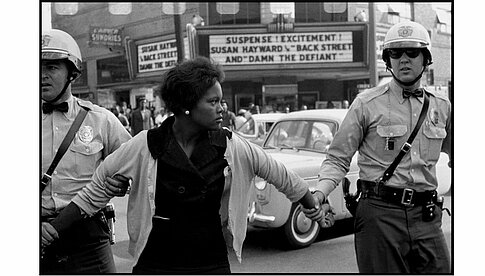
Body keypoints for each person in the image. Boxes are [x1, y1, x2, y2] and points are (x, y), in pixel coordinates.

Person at [41, 57, 317, 274]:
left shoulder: (232, 145)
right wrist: (54, 228)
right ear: (186, 105)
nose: (222, 108)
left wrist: (311, 203)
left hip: (210, 261)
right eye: (213, 102)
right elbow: (96, 189)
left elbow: (279, 174)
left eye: (220, 101)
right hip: (156, 262)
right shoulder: (145, 145)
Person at [303, 21, 451, 273]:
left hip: (426, 216)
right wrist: (319, 194)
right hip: (380, 215)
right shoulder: (366, 104)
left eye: (412, 52)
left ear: (426, 58)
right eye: (395, 53)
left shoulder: (442, 106)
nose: (403, 59)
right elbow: (337, 158)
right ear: (387, 60)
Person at [41, 29, 132, 274]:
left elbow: (136, 166)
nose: (42, 76)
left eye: (51, 67)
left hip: (88, 235)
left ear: (72, 73)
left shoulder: (101, 121)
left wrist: (122, 183)